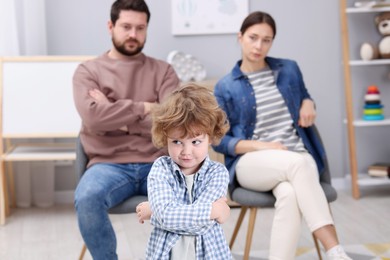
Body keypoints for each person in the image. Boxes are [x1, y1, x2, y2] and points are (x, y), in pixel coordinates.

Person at [212, 11, 352, 260]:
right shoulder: (225, 86)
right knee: (298, 166)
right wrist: (261, 146)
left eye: (267, 40)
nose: (259, 46)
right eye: (253, 37)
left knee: (288, 193)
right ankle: (335, 251)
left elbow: (304, 96)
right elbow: (219, 141)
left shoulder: (289, 69)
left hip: (297, 154)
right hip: (252, 163)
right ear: (240, 37)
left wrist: (309, 102)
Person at [72, 0, 180, 258]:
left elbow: (171, 124)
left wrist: (113, 111)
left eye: (140, 28)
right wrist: (145, 107)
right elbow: (94, 118)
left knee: (189, 193)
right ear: (111, 26)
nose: (133, 34)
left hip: (158, 161)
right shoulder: (88, 71)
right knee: (87, 198)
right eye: (126, 27)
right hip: (107, 164)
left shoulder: (164, 72)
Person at [136, 84, 232, 259]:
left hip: (210, 254)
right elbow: (167, 215)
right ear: (166, 138)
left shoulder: (217, 173)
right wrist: (214, 211)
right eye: (177, 142)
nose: (186, 151)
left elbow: (204, 225)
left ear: (209, 137)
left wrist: (155, 213)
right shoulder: (161, 168)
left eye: (195, 142)